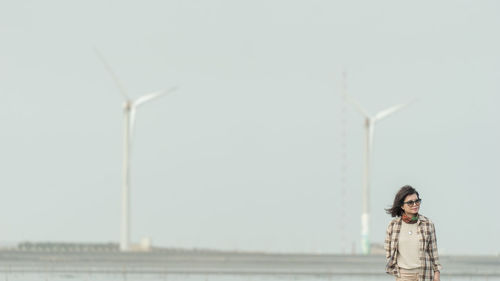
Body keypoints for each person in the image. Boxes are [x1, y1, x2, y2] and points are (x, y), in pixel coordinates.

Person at [384, 185, 442, 281]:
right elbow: (388, 249)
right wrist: (394, 266)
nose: (415, 204)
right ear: (402, 206)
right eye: (410, 202)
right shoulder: (393, 225)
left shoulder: (428, 224)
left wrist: (437, 272)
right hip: (403, 275)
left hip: (424, 273)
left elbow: (433, 251)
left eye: (417, 201)